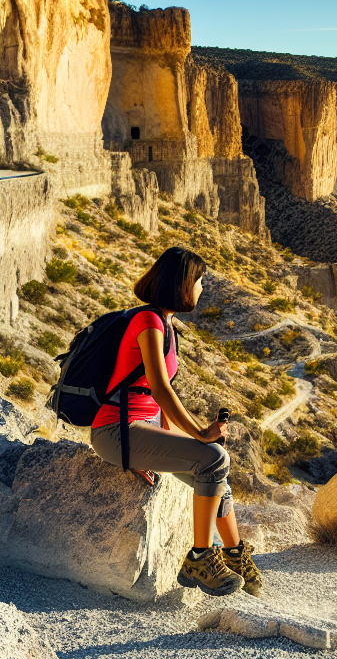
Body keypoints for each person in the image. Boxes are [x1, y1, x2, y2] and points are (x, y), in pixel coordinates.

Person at [90, 246, 262, 598]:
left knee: (215, 469)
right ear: (182, 283)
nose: (202, 288)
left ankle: (233, 555)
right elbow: (159, 386)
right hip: (114, 433)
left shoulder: (167, 325)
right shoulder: (148, 322)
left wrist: (164, 446)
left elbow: (156, 398)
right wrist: (198, 432)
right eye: (199, 280)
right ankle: (200, 557)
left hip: (140, 432)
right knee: (214, 457)